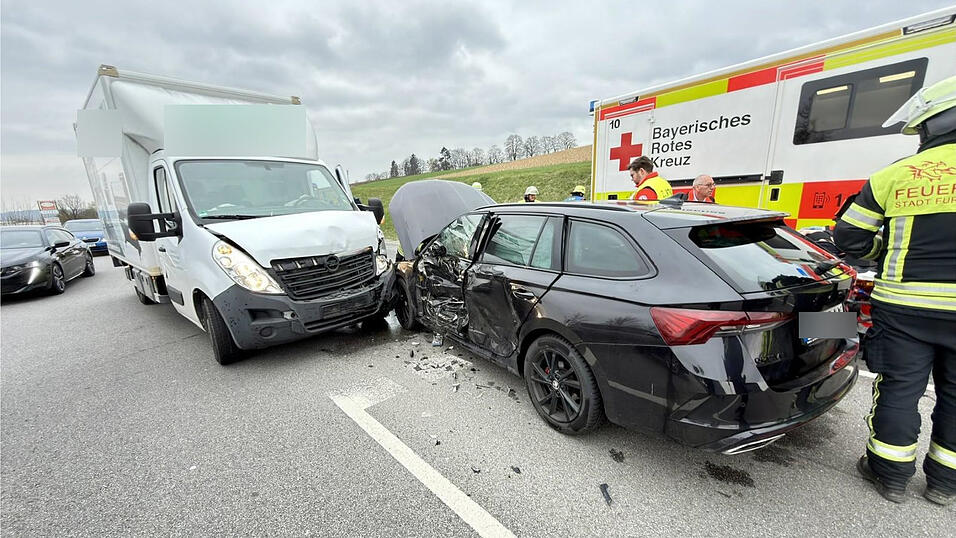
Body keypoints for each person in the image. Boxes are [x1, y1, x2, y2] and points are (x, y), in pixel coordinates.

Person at [833, 75, 956, 506]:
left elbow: (848, 239)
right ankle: (944, 484)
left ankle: (890, 476)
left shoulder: (896, 176)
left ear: (932, 126)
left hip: (905, 307)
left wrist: (887, 250)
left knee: (901, 389)